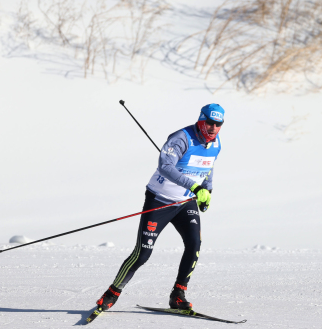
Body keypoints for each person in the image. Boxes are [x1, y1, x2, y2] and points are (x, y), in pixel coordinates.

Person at [94, 103, 224, 313]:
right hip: (160, 200)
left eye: (218, 124)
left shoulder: (216, 142)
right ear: (201, 120)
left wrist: (207, 191)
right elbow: (165, 166)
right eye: (210, 123)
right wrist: (194, 186)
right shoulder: (182, 138)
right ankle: (112, 293)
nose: (213, 128)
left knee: (194, 244)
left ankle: (178, 295)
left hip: (185, 202)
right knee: (143, 254)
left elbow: (209, 166)